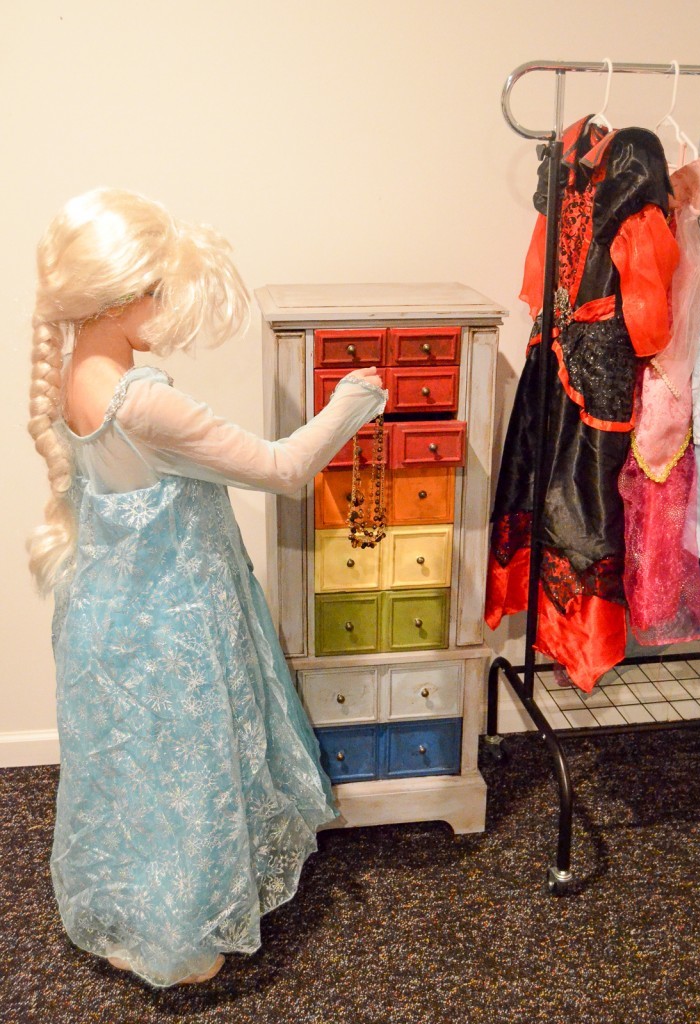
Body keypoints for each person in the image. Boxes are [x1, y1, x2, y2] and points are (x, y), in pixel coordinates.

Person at [27, 187, 387, 987]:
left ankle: (131, 910)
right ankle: (181, 940)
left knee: (134, 770)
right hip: (173, 615)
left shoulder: (71, 375)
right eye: (156, 290)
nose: (162, 305)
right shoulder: (141, 400)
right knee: (188, 769)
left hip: (108, 610)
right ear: (121, 297)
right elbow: (283, 469)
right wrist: (350, 405)